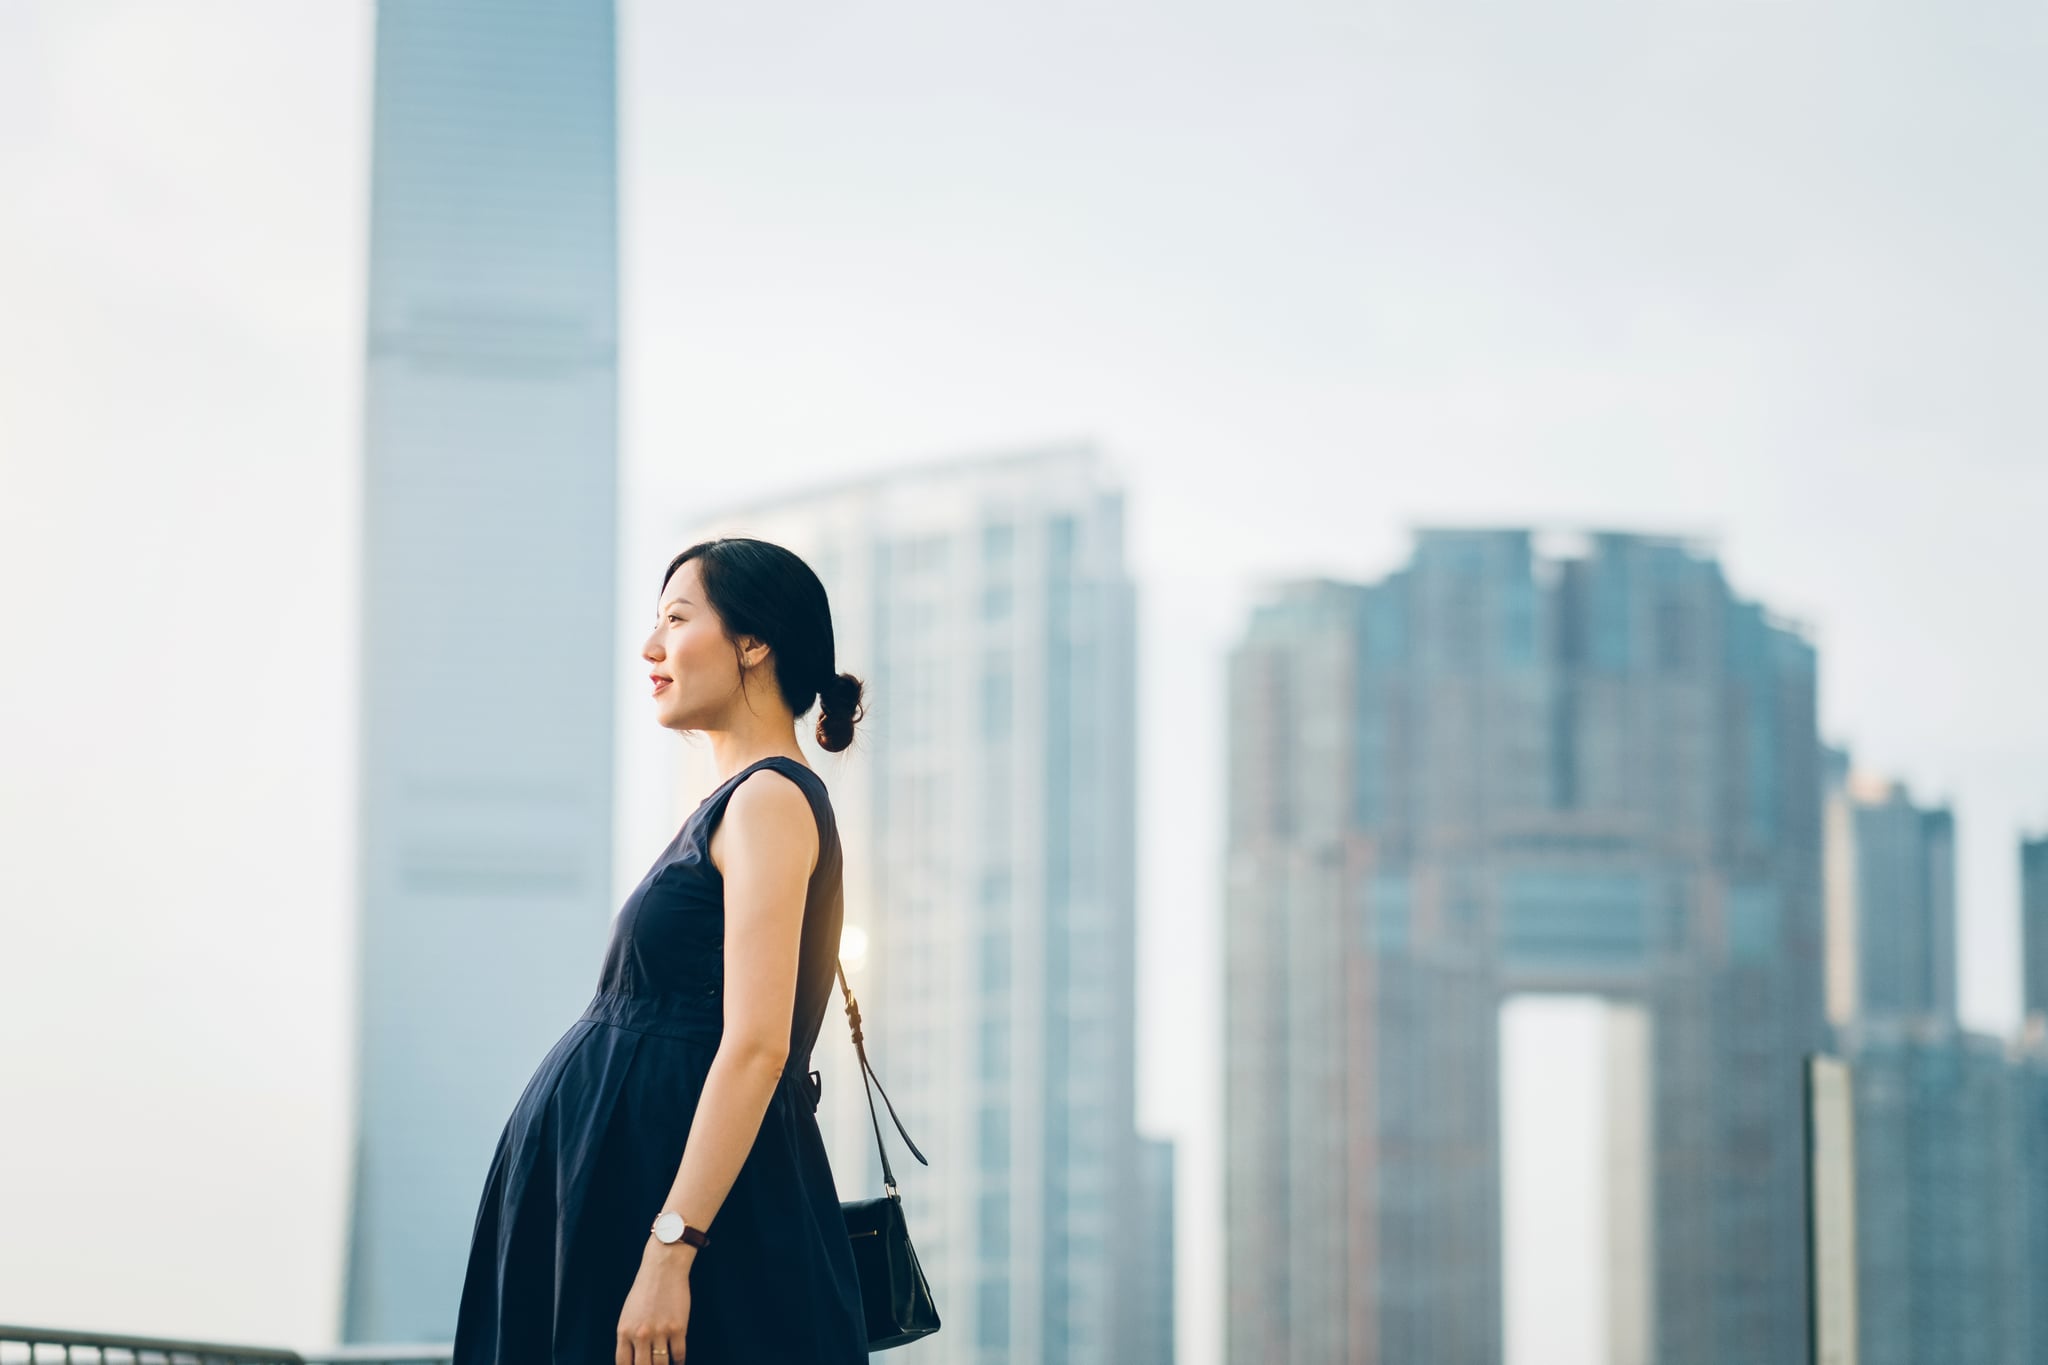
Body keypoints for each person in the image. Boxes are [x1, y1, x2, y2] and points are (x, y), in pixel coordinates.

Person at [452, 536, 870, 1364]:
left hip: (689, 1221)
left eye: (677, 620)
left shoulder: (769, 801)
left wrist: (671, 1247)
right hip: (627, 1201)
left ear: (754, 643)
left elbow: (756, 1044)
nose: (651, 648)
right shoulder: (736, 803)